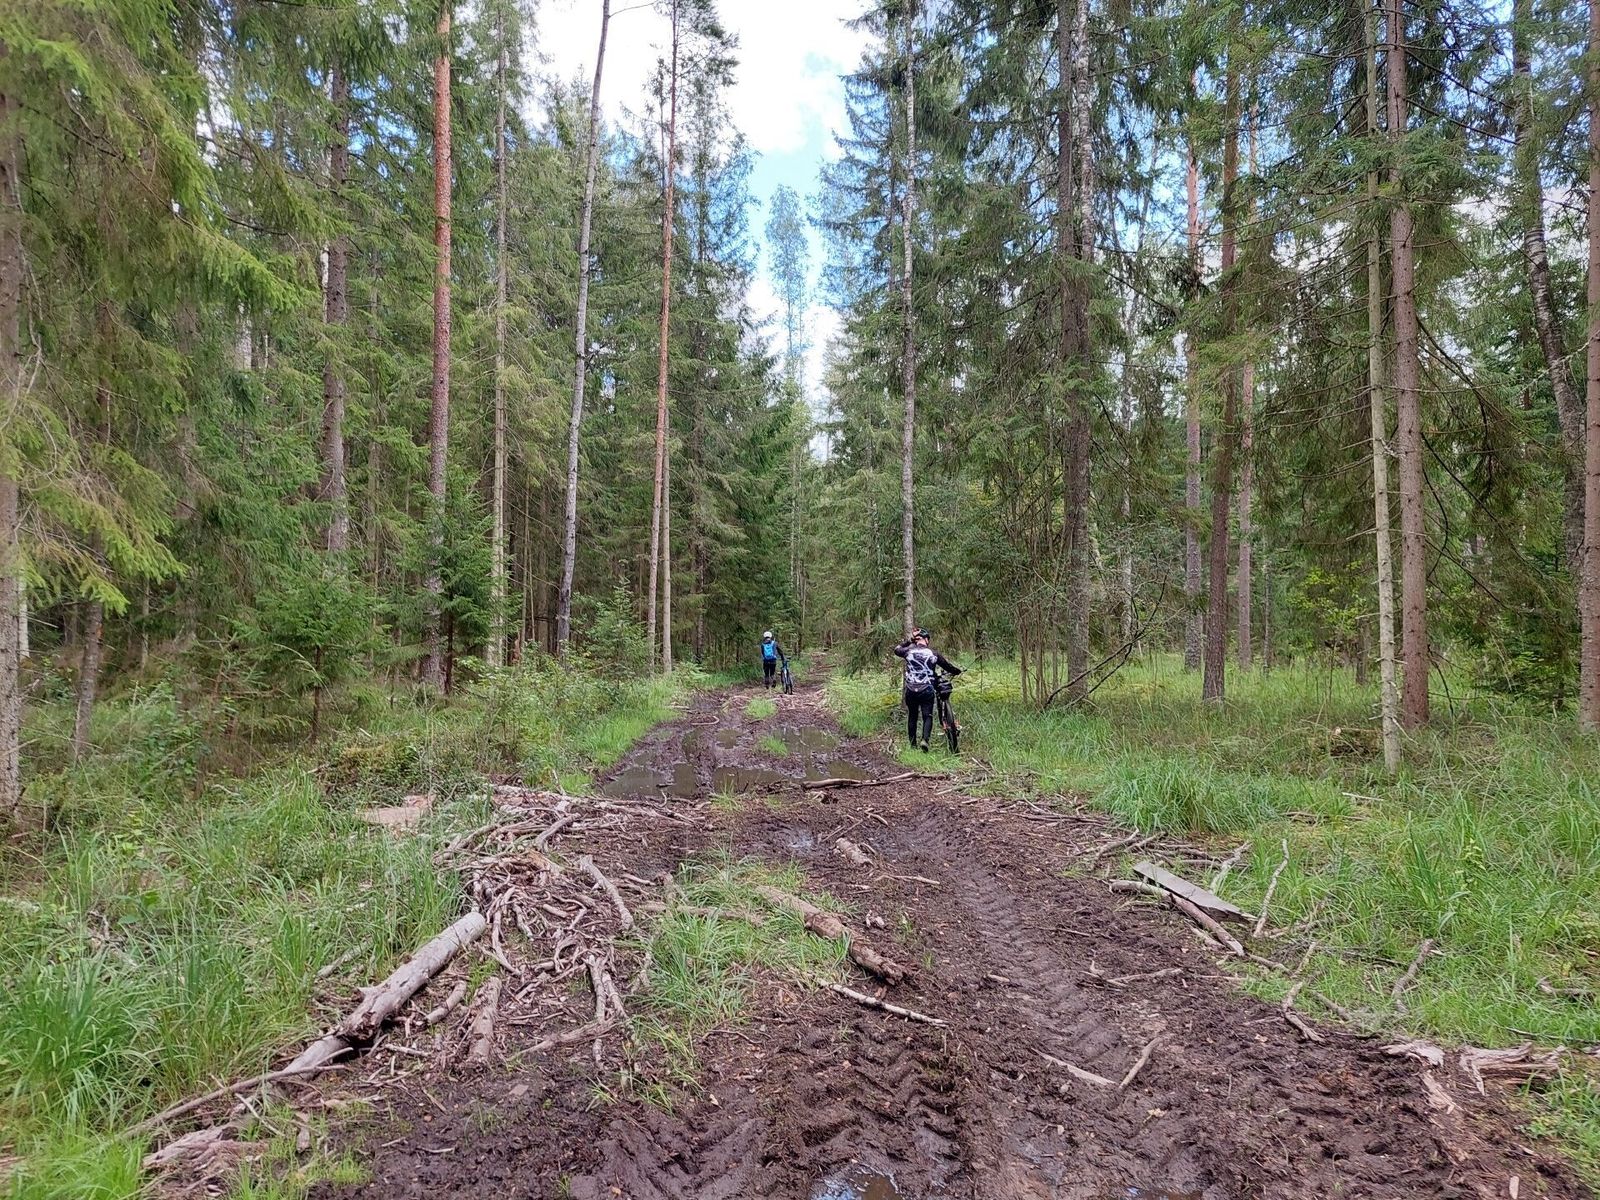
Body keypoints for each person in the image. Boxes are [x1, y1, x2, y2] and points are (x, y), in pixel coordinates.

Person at [894, 627, 961, 751]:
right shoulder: (933, 653)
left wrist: (908, 641)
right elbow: (947, 666)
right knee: (927, 716)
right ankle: (925, 740)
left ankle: (913, 746)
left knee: (912, 716)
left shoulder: (908, 651)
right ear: (926, 640)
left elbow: (896, 649)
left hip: (911, 690)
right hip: (926, 689)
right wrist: (957, 671)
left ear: (916, 640)